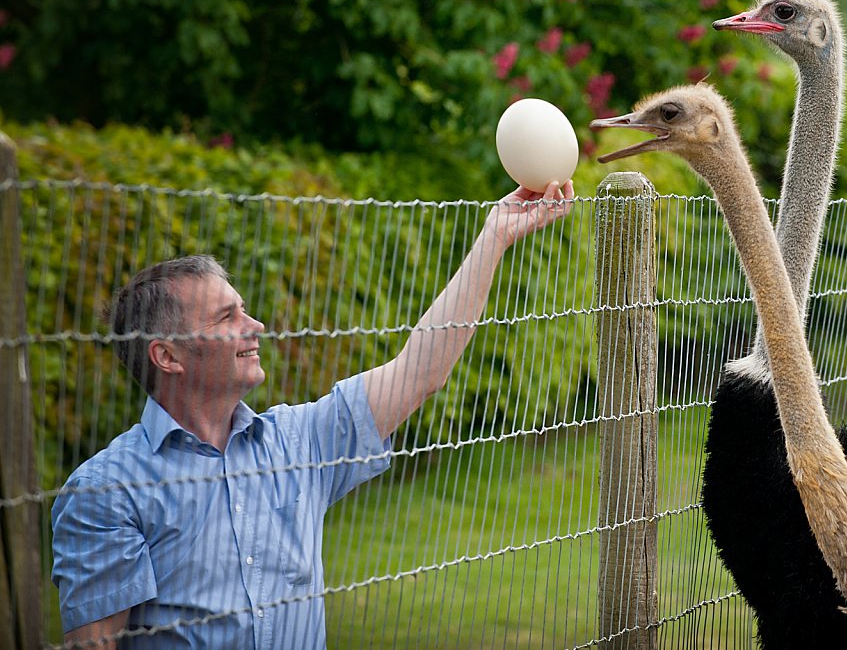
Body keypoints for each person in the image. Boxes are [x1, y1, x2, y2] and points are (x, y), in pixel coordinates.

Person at [51, 180, 574, 648]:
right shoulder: (107, 489)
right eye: (227, 317)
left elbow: (420, 372)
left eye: (244, 308)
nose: (254, 325)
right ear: (168, 355)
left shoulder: (298, 441)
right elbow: (95, 644)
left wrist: (495, 237)